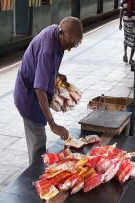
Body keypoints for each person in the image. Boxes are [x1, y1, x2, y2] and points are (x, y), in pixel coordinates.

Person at [14, 16, 83, 164]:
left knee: (39, 139)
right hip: (28, 97)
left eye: (74, 45)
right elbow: (39, 88)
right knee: (38, 141)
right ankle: (35, 180)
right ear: (61, 32)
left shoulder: (57, 35)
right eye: (69, 43)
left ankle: (37, 173)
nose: (70, 48)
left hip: (34, 91)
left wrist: (56, 75)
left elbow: (44, 67)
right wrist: (53, 124)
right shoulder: (48, 50)